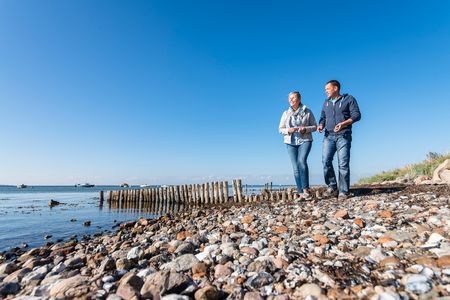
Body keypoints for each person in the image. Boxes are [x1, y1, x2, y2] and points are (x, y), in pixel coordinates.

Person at [317, 80, 361, 199]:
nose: (325, 91)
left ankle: (343, 191)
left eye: (327, 89)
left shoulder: (349, 99)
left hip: (343, 135)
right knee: (326, 161)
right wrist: (321, 125)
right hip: (328, 136)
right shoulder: (326, 103)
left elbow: (357, 115)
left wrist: (343, 124)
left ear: (335, 88)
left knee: (343, 163)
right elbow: (322, 117)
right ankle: (332, 186)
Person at [279, 91, 317, 200]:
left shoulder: (307, 111)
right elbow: (280, 129)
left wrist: (305, 129)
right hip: (290, 142)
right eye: (289, 98)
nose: (291, 100)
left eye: (293, 98)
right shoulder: (285, 113)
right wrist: (288, 130)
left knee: (301, 161)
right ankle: (301, 194)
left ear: (299, 99)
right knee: (295, 168)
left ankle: (306, 190)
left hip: (305, 140)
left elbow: (314, 126)